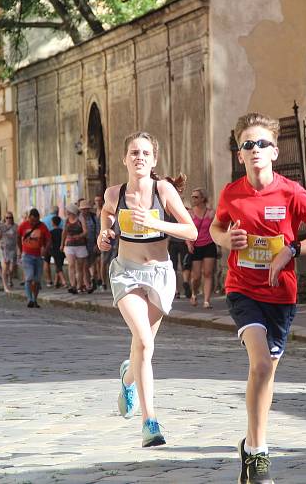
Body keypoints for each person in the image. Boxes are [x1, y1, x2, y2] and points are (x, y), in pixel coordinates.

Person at [210, 113, 306, 483]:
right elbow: (217, 226)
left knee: (264, 376)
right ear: (240, 155)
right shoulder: (231, 194)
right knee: (261, 365)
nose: (255, 150)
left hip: (281, 295)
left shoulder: (291, 191)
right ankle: (260, 452)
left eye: (262, 143)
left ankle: (250, 444)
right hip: (242, 288)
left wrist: (291, 251)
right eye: (248, 144)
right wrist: (223, 240)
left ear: (275, 151)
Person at [98, 131, 197, 448]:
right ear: (124, 159)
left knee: (142, 347)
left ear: (153, 160)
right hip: (126, 273)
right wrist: (104, 233)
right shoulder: (115, 193)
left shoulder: (163, 190)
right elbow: (106, 215)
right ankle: (150, 423)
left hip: (159, 274)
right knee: (143, 341)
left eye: (144, 153)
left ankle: (128, 377)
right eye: (133, 152)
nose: (138, 157)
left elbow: (191, 230)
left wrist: (158, 224)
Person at [187, 187, 218, 309]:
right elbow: (186, 230)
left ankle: (206, 301)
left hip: (209, 245)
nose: (193, 199)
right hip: (196, 246)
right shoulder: (190, 213)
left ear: (202, 198)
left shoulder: (211, 213)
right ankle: (194, 293)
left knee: (208, 273)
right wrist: (188, 243)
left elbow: (216, 229)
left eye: (196, 197)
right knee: (196, 276)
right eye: (192, 196)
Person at [16, 208, 51, 308]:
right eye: (32, 221)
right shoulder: (23, 225)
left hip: (38, 256)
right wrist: (20, 249)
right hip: (27, 255)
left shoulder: (42, 226)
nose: (33, 223)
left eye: (35, 221)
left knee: (37, 280)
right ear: (29, 218)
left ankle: (35, 299)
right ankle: (29, 299)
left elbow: (49, 240)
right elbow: (18, 236)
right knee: (29, 277)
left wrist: (45, 249)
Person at [62, 203, 89, 294]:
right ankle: (73, 285)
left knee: (79, 267)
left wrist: (79, 236)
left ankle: (79, 286)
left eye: (68, 211)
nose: (66, 212)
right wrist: (62, 244)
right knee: (71, 265)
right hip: (69, 245)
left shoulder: (80, 220)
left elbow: (85, 231)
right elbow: (64, 233)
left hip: (80, 245)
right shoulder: (66, 221)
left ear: (71, 211)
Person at [0, 212, 19, 292]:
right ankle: (5, 287)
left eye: (10, 217)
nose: (9, 219)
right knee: (5, 267)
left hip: (12, 249)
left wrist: (19, 249)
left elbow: (18, 239)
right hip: (3, 249)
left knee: (11, 269)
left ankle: (10, 279)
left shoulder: (16, 227)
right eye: (7, 217)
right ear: (4, 218)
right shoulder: (1, 227)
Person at [80, 199, 99, 293]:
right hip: (81, 245)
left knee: (92, 263)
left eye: (86, 209)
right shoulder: (78, 218)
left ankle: (92, 280)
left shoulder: (93, 217)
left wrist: (97, 243)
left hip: (92, 244)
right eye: (83, 209)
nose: (85, 211)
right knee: (85, 265)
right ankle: (87, 285)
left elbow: (97, 231)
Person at [46, 215, 67, 288]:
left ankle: (64, 282)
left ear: (53, 223)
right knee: (59, 265)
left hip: (55, 251)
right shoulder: (62, 231)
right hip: (62, 250)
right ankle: (56, 282)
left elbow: (50, 242)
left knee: (58, 267)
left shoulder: (51, 232)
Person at [41, 205, 59, 286]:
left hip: (46, 243)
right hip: (57, 244)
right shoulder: (61, 220)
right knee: (57, 262)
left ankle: (49, 280)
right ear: (57, 211)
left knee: (46, 261)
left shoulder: (44, 220)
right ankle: (56, 280)